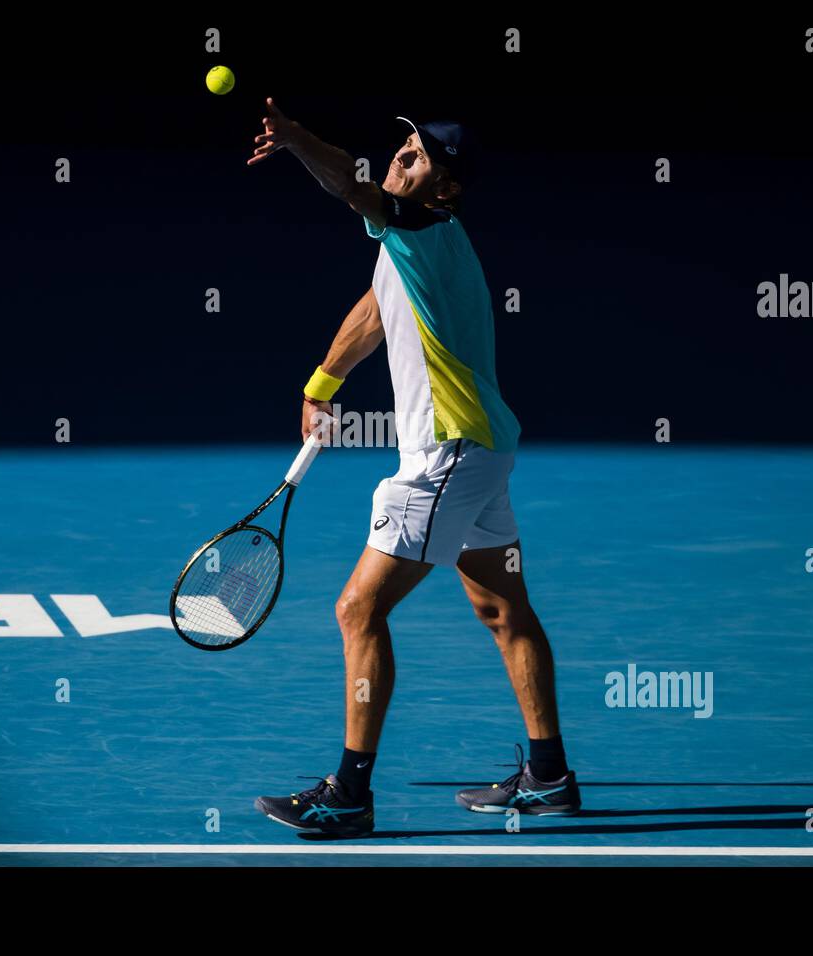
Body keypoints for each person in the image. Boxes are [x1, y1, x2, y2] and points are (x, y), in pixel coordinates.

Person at [247, 98, 579, 835]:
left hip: (448, 451)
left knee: (358, 609)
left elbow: (349, 186)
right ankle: (550, 777)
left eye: (419, 154)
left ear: (445, 188)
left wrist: (298, 136)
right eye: (404, 142)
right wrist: (323, 384)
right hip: (484, 450)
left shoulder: (420, 225)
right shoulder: (418, 242)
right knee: (500, 608)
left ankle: (349, 793)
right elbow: (374, 308)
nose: (401, 154)